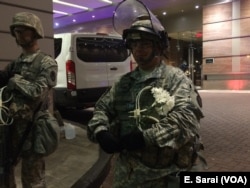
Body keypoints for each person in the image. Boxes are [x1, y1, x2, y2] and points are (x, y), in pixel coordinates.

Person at [87, 0, 206, 187]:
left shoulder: (175, 78)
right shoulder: (124, 82)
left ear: (158, 46)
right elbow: (101, 108)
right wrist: (101, 131)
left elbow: (186, 119)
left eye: (144, 44)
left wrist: (145, 137)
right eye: (133, 45)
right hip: (128, 174)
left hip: (165, 175)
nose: (137, 50)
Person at [0, 12, 58, 187]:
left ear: (35, 32)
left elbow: (37, 92)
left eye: (24, 31)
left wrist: (14, 80)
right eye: (16, 31)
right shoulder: (16, 63)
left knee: (33, 181)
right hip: (11, 128)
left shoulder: (46, 62)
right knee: (4, 174)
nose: (19, 35)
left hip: (32, 131)